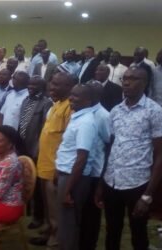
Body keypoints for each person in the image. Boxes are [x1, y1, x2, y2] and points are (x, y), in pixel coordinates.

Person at [95, 66, 162, 250]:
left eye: (133, 78)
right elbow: (109, 148)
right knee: (112, 230)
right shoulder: (115, 111)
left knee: (138, 233)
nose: (126, 82)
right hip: (112, 181)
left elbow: (161, 155)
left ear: (145, 83)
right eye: (124, 78)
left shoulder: (154, 111)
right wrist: (101, 184)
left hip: (137, 183)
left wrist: (147, 196)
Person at [30, 72, 75, 249]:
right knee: (48, 207)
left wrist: (59, 168)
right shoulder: (56, 104)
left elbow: (69, 141)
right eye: (51, 83)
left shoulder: (70, 108)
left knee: (56, 209)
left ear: (68, 87)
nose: (51, 87)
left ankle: (55, 242)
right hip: (44, 164)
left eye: (56, 84)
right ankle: (49, 230)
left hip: (56, 168)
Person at [56, 83, 97, 250]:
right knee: (65, 222)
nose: (71, 98)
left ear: (88, 100)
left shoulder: (86, 122)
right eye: (71, 94)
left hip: (73, 179)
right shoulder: (77, 116)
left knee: (68, 224)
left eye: (76, 96)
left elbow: (81, 159)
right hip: (66, 174)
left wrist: (67, 190)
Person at [80, 81, 110, 250]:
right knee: (81, 213)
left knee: (91, 214)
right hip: (81, 170)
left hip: (95, 172)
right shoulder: (82, 111)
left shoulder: (104, 115)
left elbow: (108, 143)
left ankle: (88, 245)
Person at [18, 76, 52, 229]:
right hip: (22, 146)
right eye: (29, 83)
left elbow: (44, 129)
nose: (30, 86)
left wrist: (37, 149)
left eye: (34, 84)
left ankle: (38, 217)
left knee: (37, 186)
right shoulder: (26, 100)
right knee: (24, 180)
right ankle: (26, 211)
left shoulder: (46, 103)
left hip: (36, 149)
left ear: (42, 87)